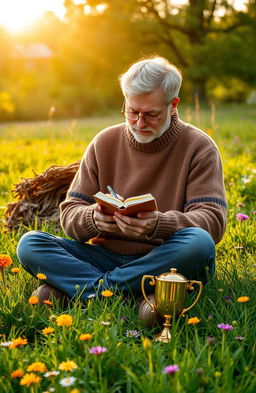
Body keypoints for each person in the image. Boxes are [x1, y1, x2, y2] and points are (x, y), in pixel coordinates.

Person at [17, 56, 226, 315]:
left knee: (199, 244)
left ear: (173, 105)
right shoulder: (104, 142)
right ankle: (134, 294)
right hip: (104, 256)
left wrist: (158, 224)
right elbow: (70, 213)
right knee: (30, 244)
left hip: (164, 257)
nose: (139, 123)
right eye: (132, 111)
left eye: (151, 115)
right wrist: (93, 218)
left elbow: (213, 221)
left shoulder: (199, 147)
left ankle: (83, 291)